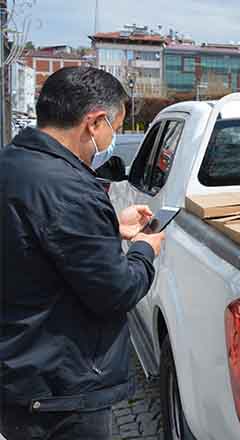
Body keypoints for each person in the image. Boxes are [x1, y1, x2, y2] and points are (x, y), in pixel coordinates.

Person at [0, 66, 164, 440]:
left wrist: (111, 229)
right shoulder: (68, 188)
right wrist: (144, 248)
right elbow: (117, 290)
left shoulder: (14, 163)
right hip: (61, 394)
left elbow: (40, 243)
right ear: (94, 122)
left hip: (22, 373)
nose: (113, 137)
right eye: (115, 127)